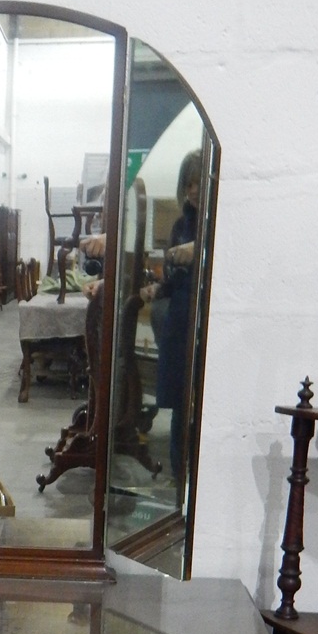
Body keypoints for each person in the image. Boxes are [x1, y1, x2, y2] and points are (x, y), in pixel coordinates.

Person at [140, 148, 202, 479]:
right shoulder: (180, 225)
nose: (192, 189)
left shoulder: (216, 222)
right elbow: (173, 278)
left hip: (200, 322)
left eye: (198, 182)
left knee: (199, 400)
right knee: (180, 404)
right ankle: (180, 475)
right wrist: (156, 289)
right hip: (180, 319)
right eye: (188, 183)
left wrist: (198, 249)